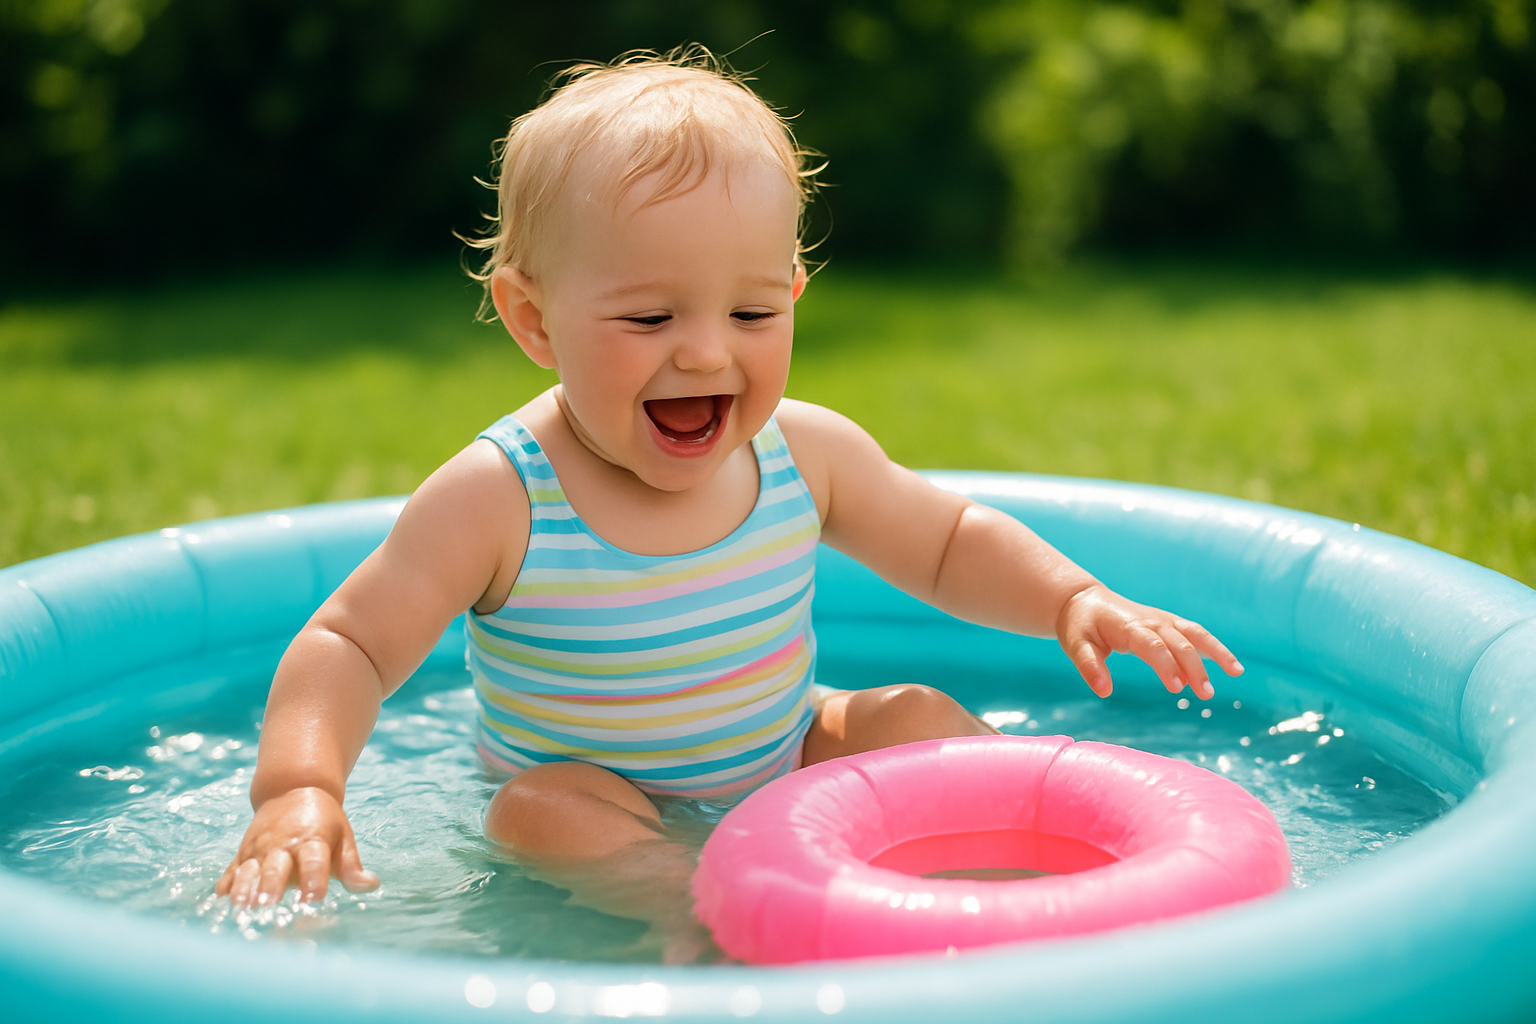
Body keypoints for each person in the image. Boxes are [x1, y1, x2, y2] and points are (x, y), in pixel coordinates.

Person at [215, 49, 1242, 953]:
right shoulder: (503, 497)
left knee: (915, 715)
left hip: (785, 751)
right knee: (537, 811)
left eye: (751, 310)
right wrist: (299, 789)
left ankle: (1021, 874)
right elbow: (350, 643)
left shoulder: (804, 452)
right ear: (534, 320)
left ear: (793, 292)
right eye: (650, 313)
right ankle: (689, 900)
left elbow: (946, 541)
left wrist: (1070, 598)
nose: (705, 350)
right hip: (598, 790)